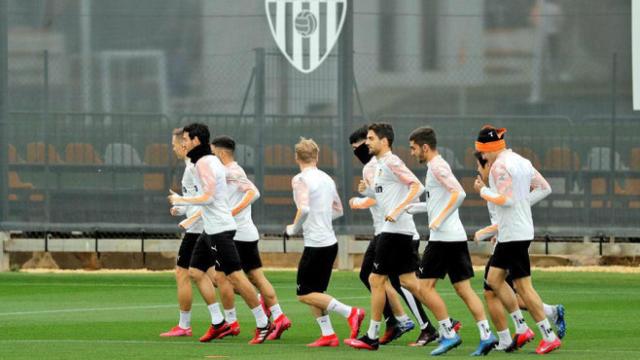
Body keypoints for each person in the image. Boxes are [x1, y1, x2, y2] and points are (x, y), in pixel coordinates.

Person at [346, 123, 458, 356]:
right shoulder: (379, 166)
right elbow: (385, 194)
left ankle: (372, 336)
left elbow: (416, 186)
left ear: (384, 141)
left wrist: (397, 211)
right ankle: (448, 328)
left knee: (376, 279)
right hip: (399, 231)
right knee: (411, 283)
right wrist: (366, 192)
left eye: (371, 138)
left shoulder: (392, 161)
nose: (367, 143)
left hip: (394, 231)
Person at [168, 123, 273, 344]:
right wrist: (186, 209)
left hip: (221, 230)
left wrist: (181, 200)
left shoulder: (205, 162)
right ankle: (219, 323)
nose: (182, 143)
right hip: (210, 229)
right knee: (195, 271)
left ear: (196, 140)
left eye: (185, 139)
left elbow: (209, 197)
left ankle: (263, 323)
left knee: (235, 276)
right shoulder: (203, 162)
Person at [405, 126, 497, 356]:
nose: (412, 153)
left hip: (444, 238)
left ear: (425, 147)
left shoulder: (437, 166)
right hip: (452, 237)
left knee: (424, 287)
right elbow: (440, 201)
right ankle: (486, 335)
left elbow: (459, 194)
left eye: (414, 148)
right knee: (463, 288)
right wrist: (415, 208)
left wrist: (437, 220)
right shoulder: (435, 167)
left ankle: (448, 333)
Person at [473, 125, 562, 354]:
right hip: (517, 230)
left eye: (482, 152)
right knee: (493, 279)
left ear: (486, 149)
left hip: (512, 232)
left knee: (523, 287)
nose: (482, 157)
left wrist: (483, 191)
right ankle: (522, 328)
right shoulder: (521, 161)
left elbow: (507, 200)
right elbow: (544, 188)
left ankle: (547, 335)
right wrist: (523, 204)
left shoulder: (498, 167)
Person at [284, 137, 365, 347]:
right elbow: (338, 211)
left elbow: (304, 208)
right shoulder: (327, 179)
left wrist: (293, 228)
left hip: (316, 244)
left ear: (296, 157)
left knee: (304, 294)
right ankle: (328, 335)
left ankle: (351, 312)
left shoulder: (300, 179)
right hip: (329, 243)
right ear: (317, 156)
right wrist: (320, 218)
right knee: (315, 293)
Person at [211, 135, 292, 340]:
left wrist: (231, 212)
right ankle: (277, 314)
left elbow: (253, 192)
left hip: (237, 234)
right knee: (247, 277)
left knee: (223, 278)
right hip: (242, 233)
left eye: (213, 153)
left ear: (221, 153)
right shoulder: (226, 172)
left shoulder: (232, 171)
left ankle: (235, 321)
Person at [159, 128, 205, 338]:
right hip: (202, 227)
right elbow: (196, 200)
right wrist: (180, 206)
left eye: (174, 144)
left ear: (183, 144)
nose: (173, 148)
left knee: (183, 272)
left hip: (199, 229)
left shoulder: (194, 168)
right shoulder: (192, 167)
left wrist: (190, 218)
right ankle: (259, 303)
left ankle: (185, 325)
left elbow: (207, 199)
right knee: (218, 277)